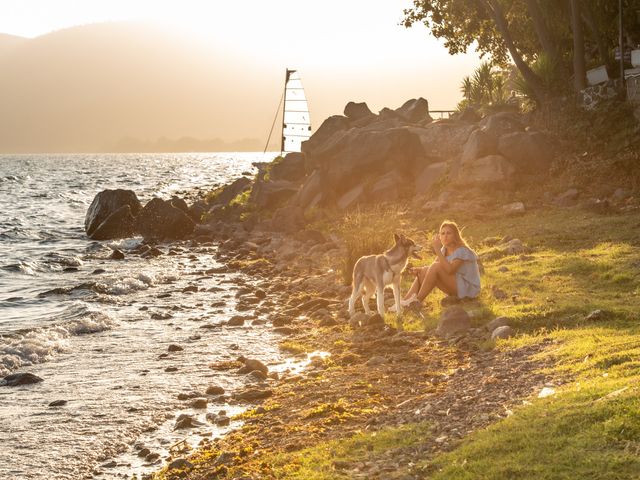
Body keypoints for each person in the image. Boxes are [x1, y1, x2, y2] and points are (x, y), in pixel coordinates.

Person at [402, 220, 481, 305]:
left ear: (455, 235)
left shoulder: (462, 250)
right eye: (442, 234)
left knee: (435, 267)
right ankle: (404, 302)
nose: (445, 236)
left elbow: (450, 270)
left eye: (448, 233)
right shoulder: (444, 249)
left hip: (469, 289)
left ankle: (417, 301)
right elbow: (431, 269)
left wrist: (437, 250)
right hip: (456, 285)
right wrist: (419, 270)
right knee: (424, 270)